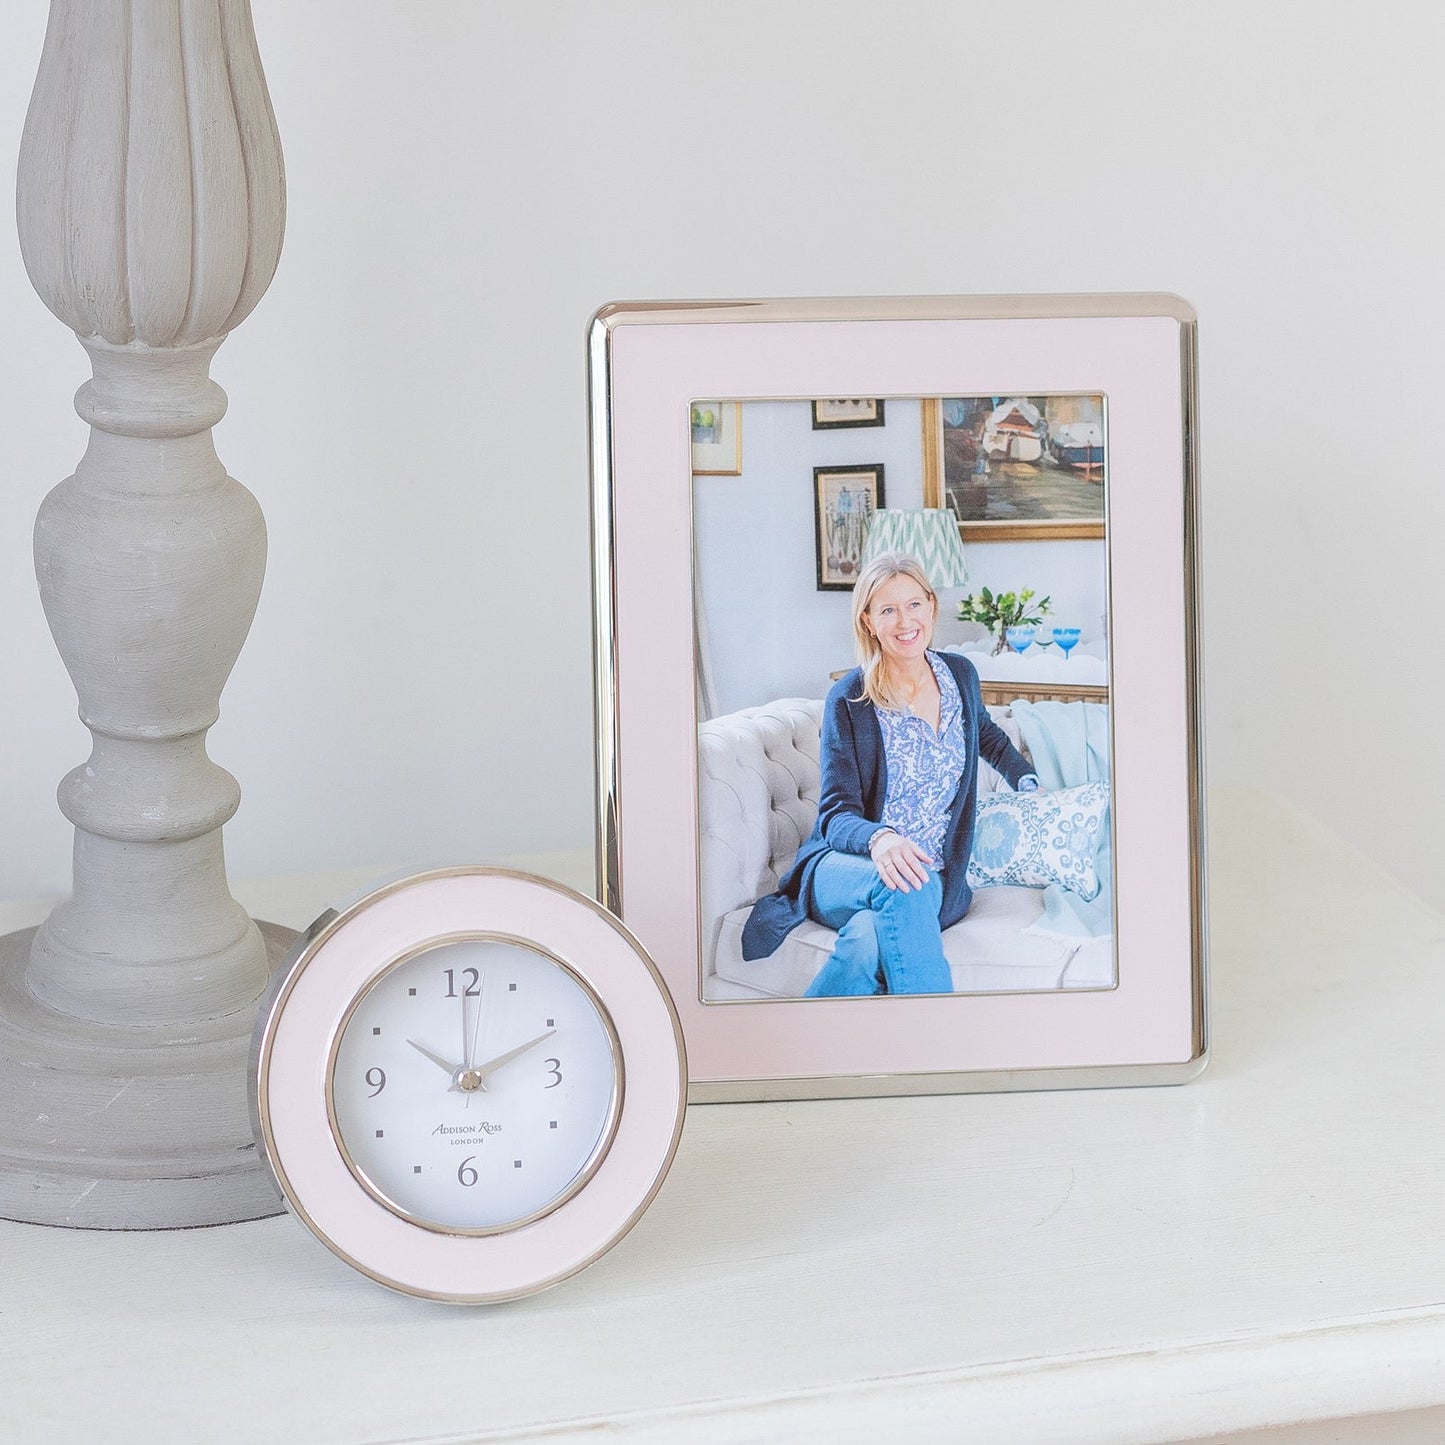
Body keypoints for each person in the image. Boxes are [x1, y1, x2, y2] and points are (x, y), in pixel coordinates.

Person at [740, 551, 1040, 997]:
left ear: (931, 605)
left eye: (914, 604)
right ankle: (937, 1035)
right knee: (906, 885)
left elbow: (987, 735)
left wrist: (1028, 782)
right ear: (868, 621)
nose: (905, 621)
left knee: (865, 941)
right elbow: (836, 815)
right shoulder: (850, 699)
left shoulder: (959, 675)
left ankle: (804, 1036)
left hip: (935, 878)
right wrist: (881, 840)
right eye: (888, 610)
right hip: (848, 868)